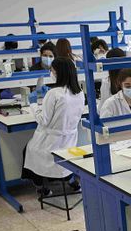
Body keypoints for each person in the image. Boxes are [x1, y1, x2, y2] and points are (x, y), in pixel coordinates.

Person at [22, 58, 86, 196]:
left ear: (58, 73)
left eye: (51, 70)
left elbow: (42, 120)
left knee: (28, 151)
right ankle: (72, 182)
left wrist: (33, 103)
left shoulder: (54, 94)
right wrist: (48, 97)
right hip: (68, 141)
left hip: (50, 141)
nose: (50, 72)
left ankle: (41, 188)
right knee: (63, 161)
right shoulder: (79, 92)